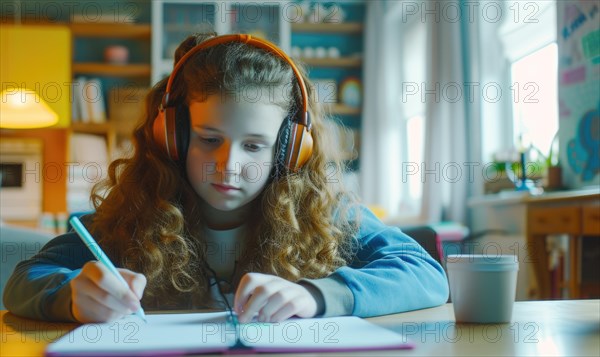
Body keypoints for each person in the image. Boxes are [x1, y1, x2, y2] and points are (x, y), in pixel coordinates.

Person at [3, 33, 449, 323]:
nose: (229, 165)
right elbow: (24, 279)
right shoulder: (134, 212)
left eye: (254, 145)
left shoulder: (325, 214)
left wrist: (319, 295)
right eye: (208, 138)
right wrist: (71, 294)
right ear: (173, 138)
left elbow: (425, 274)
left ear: (289, 151)